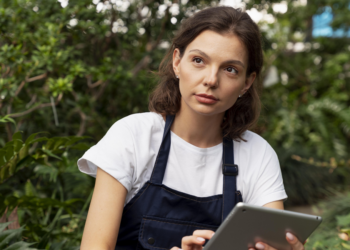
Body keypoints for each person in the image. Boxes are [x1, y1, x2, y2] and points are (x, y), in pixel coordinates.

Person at [77, 6, 305, 250]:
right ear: (177, 62)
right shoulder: (133, 136)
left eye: (230, 69)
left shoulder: (257, 154)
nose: (210, 80)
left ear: (246, 82)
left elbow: (272, 241)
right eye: (198, 60)